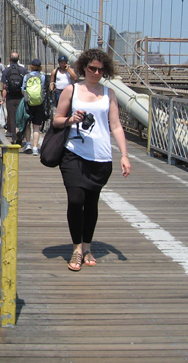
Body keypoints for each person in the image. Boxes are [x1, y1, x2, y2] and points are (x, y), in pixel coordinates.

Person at [52, 49, 131, 272]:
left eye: (100, 69)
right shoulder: (72, 90)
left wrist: (124, 155)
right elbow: (57, 121)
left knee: (92, 203)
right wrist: (70, 119)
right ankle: (76, 247)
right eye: (91, 68)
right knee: (76, 200)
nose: (96, 72)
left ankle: (87, 246)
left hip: (101, 157)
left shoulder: (109, 93)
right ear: (83, 67)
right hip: (73, 153)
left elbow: (115, 126)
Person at [21, 59, 46, 155]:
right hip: (39, 104)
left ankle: (28, 144)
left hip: (28, 103)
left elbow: (23, 89)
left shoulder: (26, 76)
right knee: (36, 127)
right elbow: (43, 89)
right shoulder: (42, 76)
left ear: (31, 66)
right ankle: (35, 148)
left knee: (28, 124)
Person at [1, 52, 27, 144]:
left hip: (10, 97)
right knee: (21, 117)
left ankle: (14, 138)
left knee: (12, 118)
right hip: (21, 97)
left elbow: (4, 87)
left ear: (9, 59)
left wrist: (3, 99)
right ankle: (21, 134)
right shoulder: (23, 70)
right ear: (18, 59)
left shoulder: (6, 71)